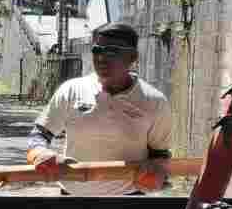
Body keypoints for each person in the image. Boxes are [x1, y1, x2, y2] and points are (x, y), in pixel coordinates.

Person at [26, 21, 172, 196]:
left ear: (133, 57)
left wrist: (157, 170)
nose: (102, 58)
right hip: (72, 197)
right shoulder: (72, 90)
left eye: (112, 51)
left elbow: (160, 154)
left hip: (128, 200)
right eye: (97, 50)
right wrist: (39, 153)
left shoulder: (154, 101)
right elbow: (38, 135)